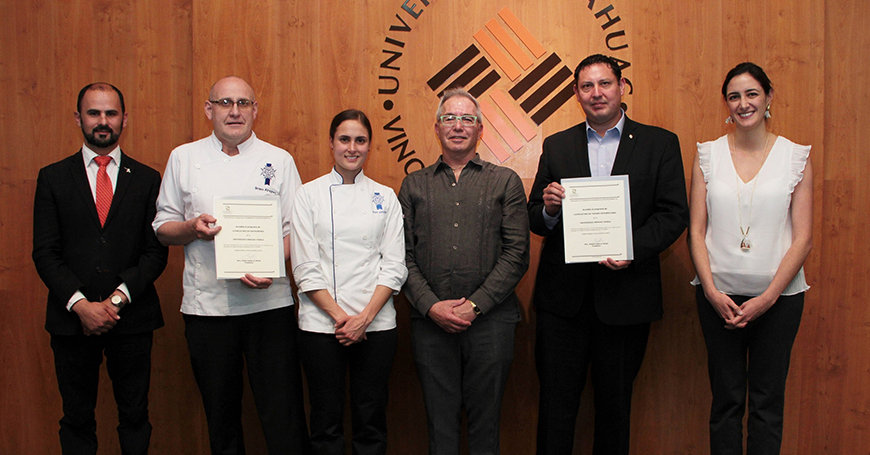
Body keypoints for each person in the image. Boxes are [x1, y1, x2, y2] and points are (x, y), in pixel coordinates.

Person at [528, 54, 689, 454]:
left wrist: (630, 247)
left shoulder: (660, 143)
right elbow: (534, 216)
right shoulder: (557, 144)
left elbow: (673, 215)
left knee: (615, 410)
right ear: (576, 94)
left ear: (621, 87)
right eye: (586, 86)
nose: (596, 93)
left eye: (604, 84)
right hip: (563, 304)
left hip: (625, 302)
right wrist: (549, 209)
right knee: (555, 408)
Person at [152, 76, 309, 454]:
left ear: (256, 110)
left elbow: (298, 232)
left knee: (283, 415)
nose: (234, 111)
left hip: (269, 307)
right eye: (225, 103)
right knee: (221, 418)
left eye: (243, 103)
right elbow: (162, 228)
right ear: (209, 109)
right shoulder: (184, 158)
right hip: (208, 310)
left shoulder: (280, 160)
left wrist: (270, 263)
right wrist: (191, 228)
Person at [32, 82, 168, 455]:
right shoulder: (53, 177)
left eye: (111, 113)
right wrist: (81, 305)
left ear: (125, 118)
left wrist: (117, 300)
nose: (103, 121)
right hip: (71, 321)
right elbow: (45, 252)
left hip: (133, 318)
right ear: (79, 118)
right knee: (76, 418)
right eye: (94, 113)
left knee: (135, 415)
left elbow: (155, 253)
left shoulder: (147, 179)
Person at [688, 62, 812, 455]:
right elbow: (695, 231)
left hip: (779, 301)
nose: (743, 104)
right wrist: (709, 290)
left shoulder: (796, 156)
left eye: (752, 94)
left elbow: (803, 237)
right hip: (717, 300)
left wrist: (767, 298)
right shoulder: (706, 155)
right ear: (726, 103)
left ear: (769, 97)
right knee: (726, 403)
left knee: (766, 404)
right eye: (734, 96)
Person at [399, 88, 530, 455]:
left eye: (467, 119)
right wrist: (430, 306)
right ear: (437, 128)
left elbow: (517, 253)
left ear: (481, 130)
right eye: (450, 118)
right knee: (439, 426)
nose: (458, 126)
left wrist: (474, 306)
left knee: (486, 426)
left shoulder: (505, 182)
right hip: (430, 324)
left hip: (492, 323)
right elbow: (401, 255)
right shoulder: (414, 185)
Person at [291, 109, 408, 455]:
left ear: (370, 146)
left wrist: (363, 319)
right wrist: (341, 318)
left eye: (360, 140)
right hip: (320, 325)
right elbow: (304, 267)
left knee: (370, 419)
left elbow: (395, 266)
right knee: (325, 421)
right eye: (344, 139)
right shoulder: (307, 196)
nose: (352, 148)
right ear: (331, 143)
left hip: (376, 325)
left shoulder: (385, 196)